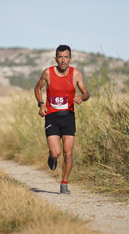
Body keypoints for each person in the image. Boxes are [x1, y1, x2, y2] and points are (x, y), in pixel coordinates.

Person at [34, 45, 90, 194]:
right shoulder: (48, 73)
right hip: (52, 116)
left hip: (69, 116)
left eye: (66, 57)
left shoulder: (76, 74)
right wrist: (41, 104)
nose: (63, 60)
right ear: (56, 59)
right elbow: (37, 88)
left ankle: (64, 183)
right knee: (56, 153)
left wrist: (81, 97)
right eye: (60, 57)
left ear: (70, 59)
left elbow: (86, 93)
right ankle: (51, 157)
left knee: (68, 153)